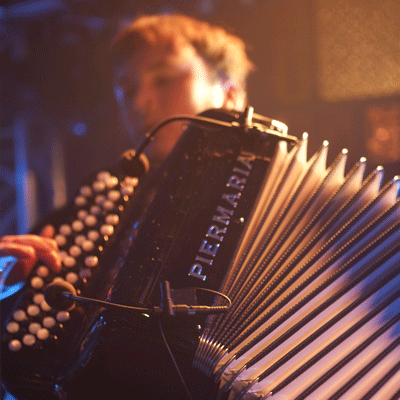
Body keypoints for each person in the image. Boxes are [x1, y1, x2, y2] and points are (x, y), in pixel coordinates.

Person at [0, 14, 253, 291]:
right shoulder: (100, 203)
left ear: (230, 96)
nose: (141, 103)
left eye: (164, 79)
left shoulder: (276, 195)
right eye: (128, 90)